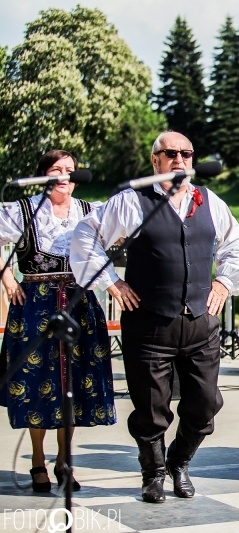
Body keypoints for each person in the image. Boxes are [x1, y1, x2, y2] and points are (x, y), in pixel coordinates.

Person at [69, 131, 239, 503]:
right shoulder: (131, 201)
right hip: (149, 322)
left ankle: (179, 461)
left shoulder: (211, 202)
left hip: (201, 322)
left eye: (187, 153)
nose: (179, 159)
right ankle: (153, 472)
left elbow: (234, 246)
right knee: (152, 409)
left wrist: (224, 283)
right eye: (170, 153)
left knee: (205, 404)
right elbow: (86, 235)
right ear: (155, 160)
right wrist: (112, 283)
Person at [0, 149, 115, 492]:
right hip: (36, 306)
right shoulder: (24, 210)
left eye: (70, 169)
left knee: (73, 384)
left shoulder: (90, 211)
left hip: (79, 304)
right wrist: (7, 278)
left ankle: (65, 459)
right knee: (36, 382)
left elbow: (118, 234)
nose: (64, 175)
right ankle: (37, 459)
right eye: (56, 169)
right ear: (43, 175)